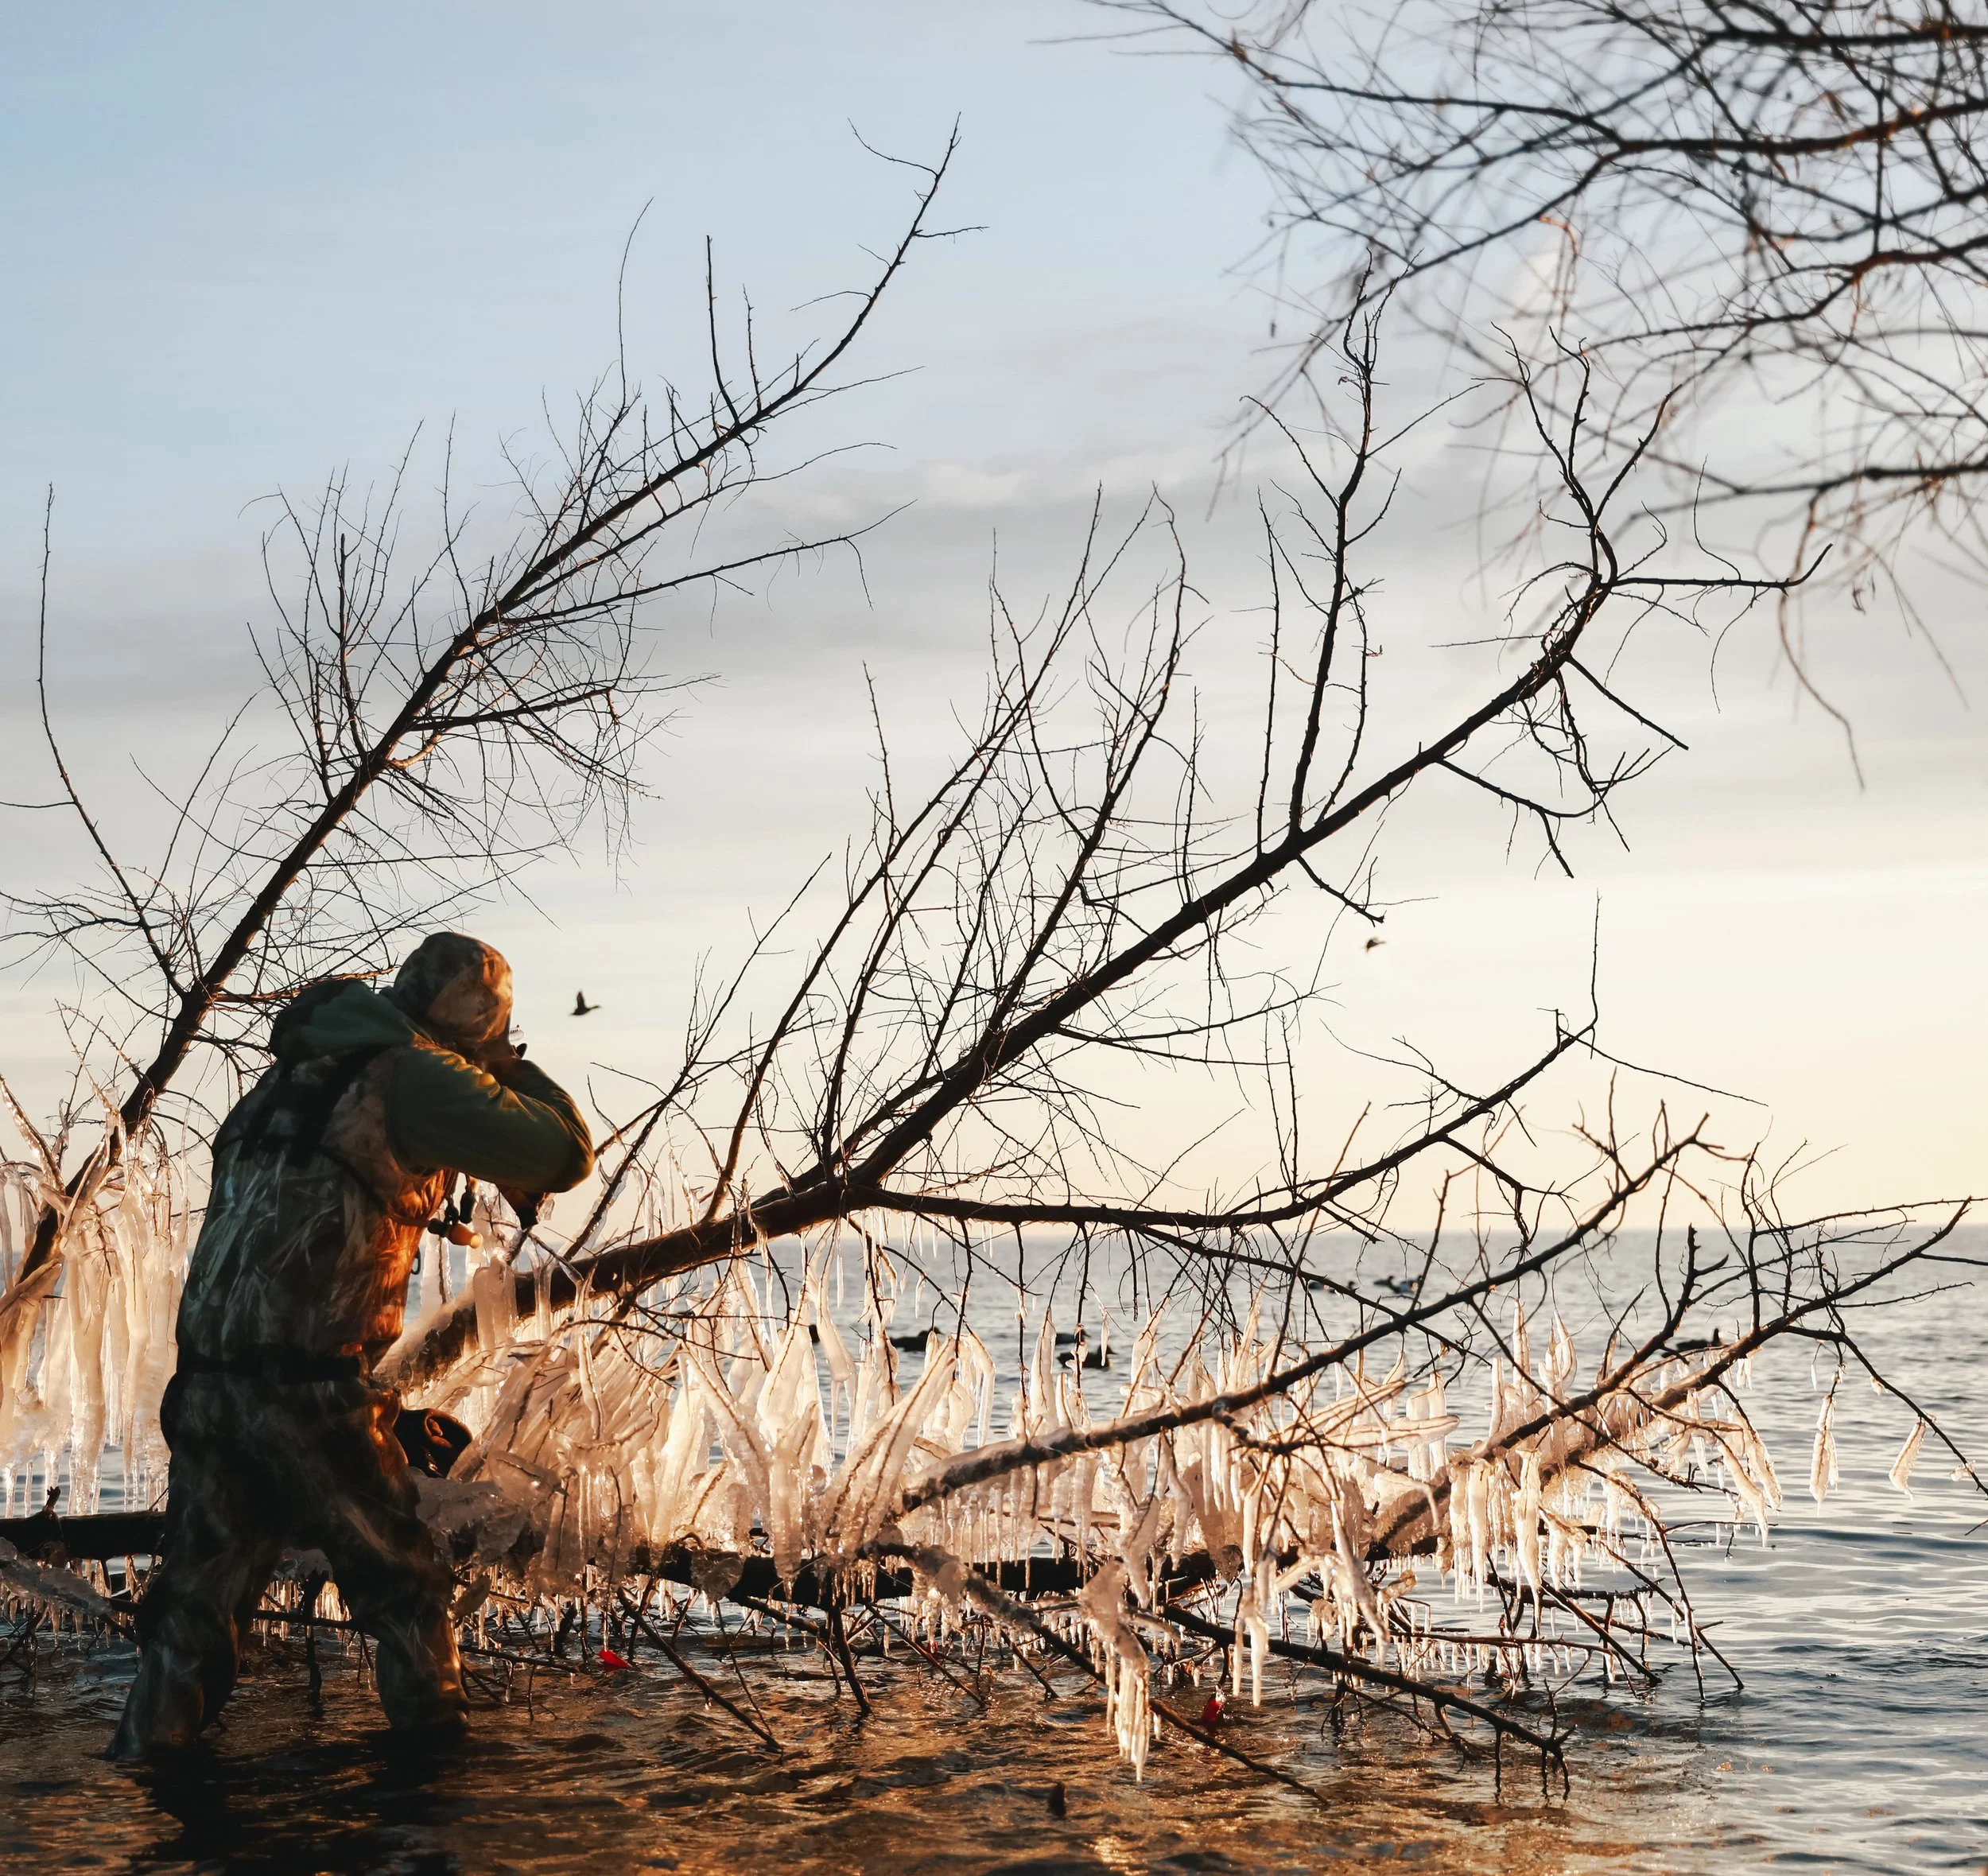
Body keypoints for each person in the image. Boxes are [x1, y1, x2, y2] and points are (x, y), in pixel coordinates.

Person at [110, 934, 593, 1759]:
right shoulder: (413, 1076)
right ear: (479, 1021)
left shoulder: (286, 1081)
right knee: (404, 1587)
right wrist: (503, 1066)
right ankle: (432, 1806)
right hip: (308, 1386)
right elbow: (564, 1151)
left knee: (193, 1610)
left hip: (207, 1383)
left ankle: (146, 1783)